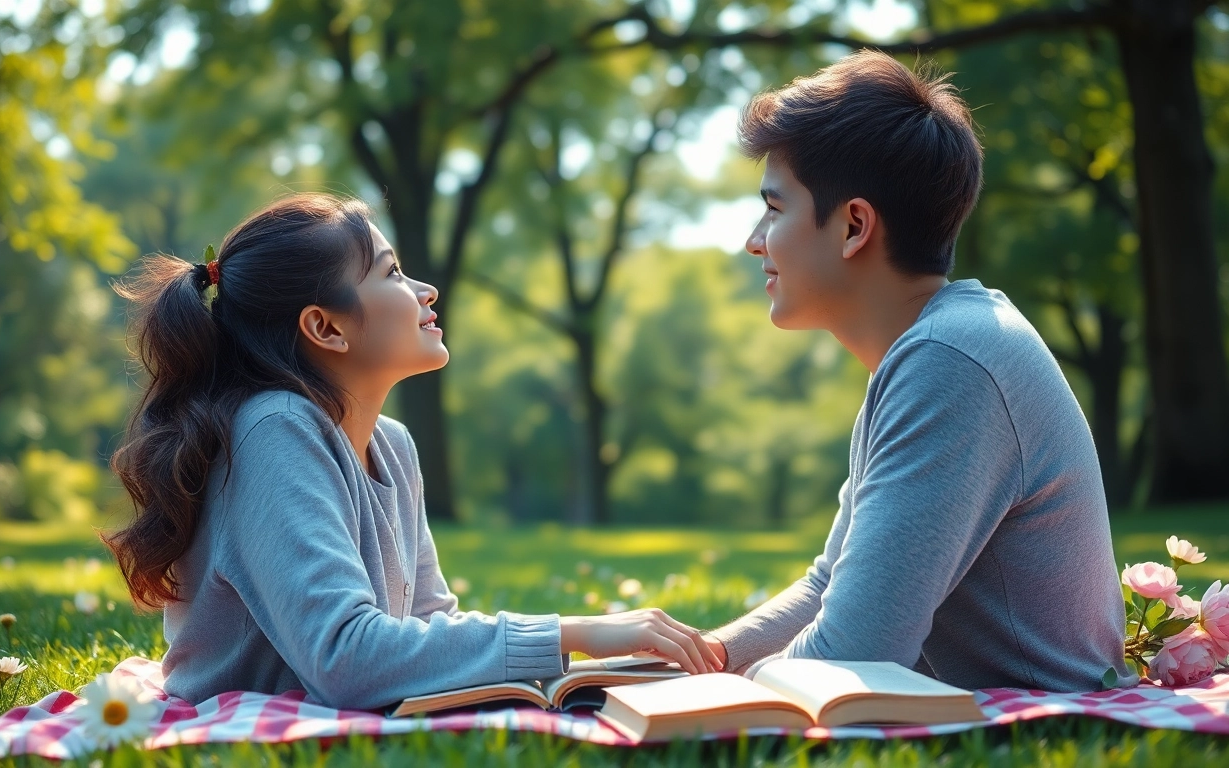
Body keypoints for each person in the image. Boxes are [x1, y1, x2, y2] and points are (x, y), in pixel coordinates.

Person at [105, 194, 722, 710]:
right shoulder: (273, 429)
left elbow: (425, 624)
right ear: (325, 327)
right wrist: (573, 633)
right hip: (248, 731)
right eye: (392, 273)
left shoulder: (392, 444)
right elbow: (346, 659)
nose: (425, 290)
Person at [697, 50, 1135, 692]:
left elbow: (855, 654)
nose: (754, 239)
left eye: (775, 208)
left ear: (854, 225)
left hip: (1031, 721)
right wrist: (700, 657)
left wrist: (714, 694)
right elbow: (829, 587)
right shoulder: (933, 347)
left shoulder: (949, 361)